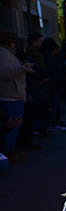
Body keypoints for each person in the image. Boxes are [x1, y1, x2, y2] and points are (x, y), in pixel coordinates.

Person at [0, 32, 29, 161]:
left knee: (13, 125)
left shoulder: (7, 53)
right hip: (10, 96)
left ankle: (9, 151)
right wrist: (22, 68)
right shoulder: (3, 54)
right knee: (12, 124)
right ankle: (7, 153)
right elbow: (4, 73)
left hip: (13, 95)